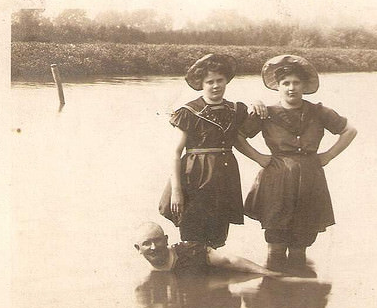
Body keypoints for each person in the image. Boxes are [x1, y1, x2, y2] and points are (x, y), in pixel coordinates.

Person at [235, 55, 357, 268]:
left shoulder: (318, 112)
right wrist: (258, 157)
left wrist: (328, 155)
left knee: (301, 243)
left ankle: (299, 295)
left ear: (304, 85)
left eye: (296, 83)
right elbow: (237, 135)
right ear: (278, 87)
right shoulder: (266, 113)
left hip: (310, 181)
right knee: (276, 243)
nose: (291, 88)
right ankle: (274, 292)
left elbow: (349, 130)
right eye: (286, 83)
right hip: (277, 180)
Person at [158, 53, 264, 251]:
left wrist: (257, 103)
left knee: (216, 238)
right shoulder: (189, 111)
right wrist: (176, 191)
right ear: (201, 83)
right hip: (194, 178)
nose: (216, 86)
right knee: (192, 238)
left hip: (224, 179)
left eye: (220, 80)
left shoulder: (235, 109)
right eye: (210, 82)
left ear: (226, 81)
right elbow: (175, 152)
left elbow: (244, 135)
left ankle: (213, 279)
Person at [133, 221, 280, 276]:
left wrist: (268, 273)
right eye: (147, 243)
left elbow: (229, 261)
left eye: (157, 241)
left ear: (166, 240)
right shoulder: (143, 274)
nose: (153, 247)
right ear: (138, 248)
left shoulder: (190, 251)